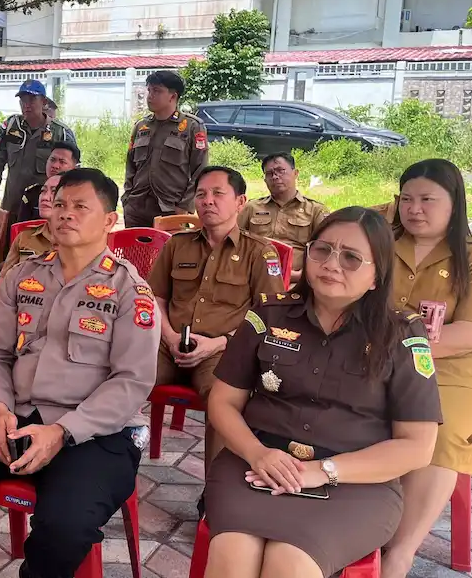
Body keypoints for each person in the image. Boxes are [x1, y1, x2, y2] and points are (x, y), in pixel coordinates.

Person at [0, 168, 158, 578]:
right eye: (59, 205)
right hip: (16, 419)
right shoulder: (22, 275)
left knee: (65, 526)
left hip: (94, 434)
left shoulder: (130, 290)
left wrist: (61, 432)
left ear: (110, 221)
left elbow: (132, 382)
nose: (65, 214)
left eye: (79, 207)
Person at [204, 207, 442, 578]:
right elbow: (222, 401)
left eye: (351, 257)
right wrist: (257, 452)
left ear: (377, 275)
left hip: (354, 484)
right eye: (322, 250)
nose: (332, 264)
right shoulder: (268, 316)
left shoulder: (402, 335)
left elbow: (417, 445)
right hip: (256, 466)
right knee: (232, 555)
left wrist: (324, 470)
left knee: (290, 563)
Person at [380, 159, 472, 578]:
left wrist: (403, 348)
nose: (415, 209)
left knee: (437, 434)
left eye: (428, 199)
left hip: (450, 369)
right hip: (378, 359)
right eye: (406, 199)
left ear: (454, 203)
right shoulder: (382, 246)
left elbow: (469, 332)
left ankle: (400, 551)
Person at [148, 166, 284, 471]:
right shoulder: (177, 244)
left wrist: (218, 344)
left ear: (240, 202)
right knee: (124, 379)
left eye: (218, 193)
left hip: (222, 350)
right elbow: (155, 298)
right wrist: (169, 337)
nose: (207, 201)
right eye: (201, 194)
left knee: (223, 403)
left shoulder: (259, 253)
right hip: (168, 344)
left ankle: (214, 494)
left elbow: (271, 316)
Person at [122, 70, 209, 228]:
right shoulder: (141, 126)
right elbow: (130, 166)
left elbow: (200, 170)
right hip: (136, 208)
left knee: (170, 252)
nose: (150, 95)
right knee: (135, 252)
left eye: (157, 91)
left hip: (171, 208)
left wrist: (184, 206)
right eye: (149, 90)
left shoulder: (192, 127)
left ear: (173, 96)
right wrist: (127, 198)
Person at [0, 79, 74, 221]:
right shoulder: (10, 127)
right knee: (8, 242)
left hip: (43, 209)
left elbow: (72, 173)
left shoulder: (60, 133)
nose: (26, 105)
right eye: (22, 100)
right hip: (12, 206)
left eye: (32, 99)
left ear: (44, 102)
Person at [238, 153, 329, 284]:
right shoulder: (252, 207)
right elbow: (234, 241)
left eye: (281, 171)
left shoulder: (315, 210)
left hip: (295, 281)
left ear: (295, 173)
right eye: (269, 173)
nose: (275, 176)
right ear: (265, 180)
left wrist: (301, 275)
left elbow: (325, 250)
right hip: (253, 277)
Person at [1, 174, 59, 276]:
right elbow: (3, 283)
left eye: (54, 192)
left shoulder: (81, 243)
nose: (45, 197)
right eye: (43, 191)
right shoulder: (25, 237)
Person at [16, 141, 80, 224]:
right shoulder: (32, 194)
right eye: (52, 160)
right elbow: (21, 229)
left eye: (62, 162)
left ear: (75, 167)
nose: (55, 166)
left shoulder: (79, 197)